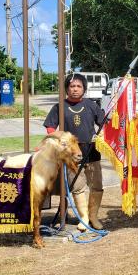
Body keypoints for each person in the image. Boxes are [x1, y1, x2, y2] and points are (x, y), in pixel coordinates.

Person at [44, 73, 105, 231]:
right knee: (77, 186)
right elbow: (50, 128)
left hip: (92, 150)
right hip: (71, 153)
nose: (75, 89)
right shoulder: (60, 106)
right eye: (72, 86)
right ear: (67, 88)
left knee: (96, 185)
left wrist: (105, 129)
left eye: (79, 86)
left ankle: (93, 217)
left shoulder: (91, 105)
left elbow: (103, 122)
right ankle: (83, 217)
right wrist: (62, 136)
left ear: (84, 88)